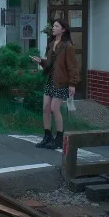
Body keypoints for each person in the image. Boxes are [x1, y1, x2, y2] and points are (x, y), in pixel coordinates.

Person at [30, 18, 80, 149]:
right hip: (51, 79)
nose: (53, 28)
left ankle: (59, 138)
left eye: (56, 26)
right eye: (53, 26)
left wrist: (72, 84)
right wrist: (40, 61)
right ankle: (47, 136)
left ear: (63, 29)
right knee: (45, 107)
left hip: (62, 82)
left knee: (54, 108)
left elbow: (73, 66)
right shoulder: (52, 43)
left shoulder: (68, 46)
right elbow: (50, 64)